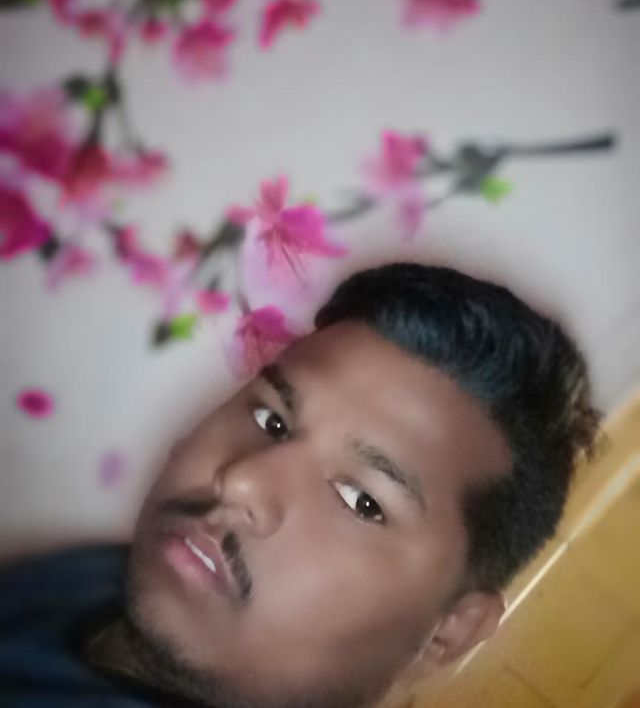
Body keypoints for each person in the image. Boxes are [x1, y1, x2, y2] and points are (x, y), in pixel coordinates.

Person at [0, 263, 600, 708]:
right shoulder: (94, 576)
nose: (242, 481)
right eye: (272, 420)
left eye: (362, 501)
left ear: (448, 633)